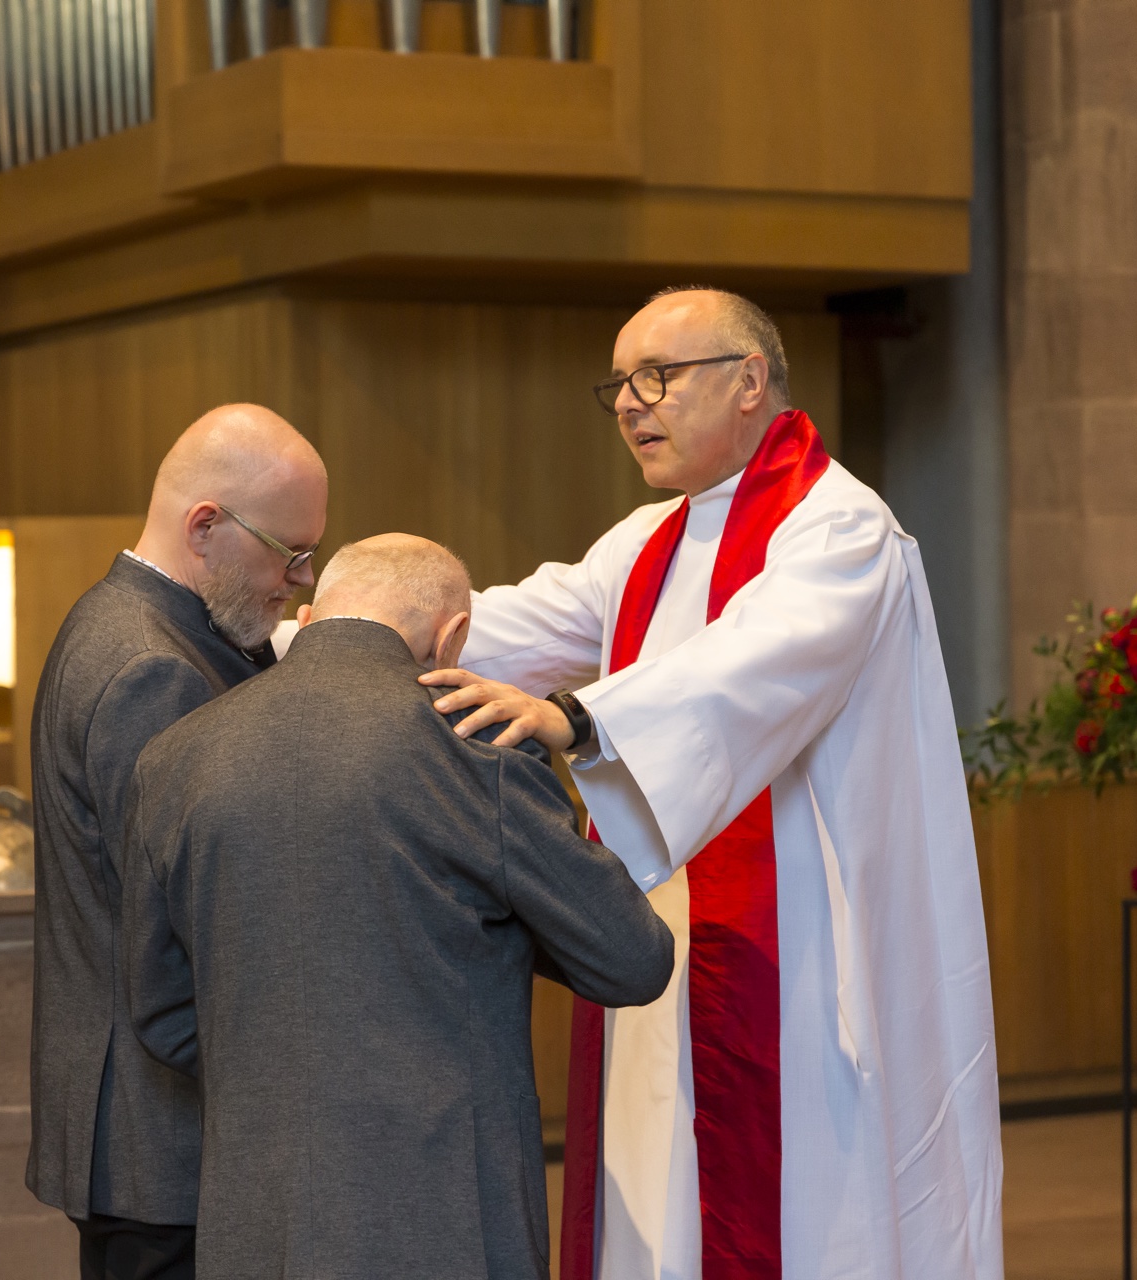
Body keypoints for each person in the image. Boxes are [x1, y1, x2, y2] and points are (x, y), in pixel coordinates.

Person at [425, 287, 1004, 1280]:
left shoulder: (839, 528)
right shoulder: (646, 540)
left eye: (657, 376)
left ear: (749, 380)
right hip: (665, 942)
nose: (629, 403)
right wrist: (322, 639)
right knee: (661, 1185)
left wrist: (583, 717)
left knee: (806, 1207)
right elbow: (506, 624)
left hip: (806, 955)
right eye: (619, 383)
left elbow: (759, 662)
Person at [122, 534, 673, 1280]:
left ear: (310, 617)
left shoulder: (175, 756)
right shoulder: (478, 749)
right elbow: (631, 960)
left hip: (256, 1211)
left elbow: (161, 1011)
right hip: (447, 1211)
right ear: (453, 638)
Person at [26, 404, 329, 1280]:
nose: (302, 579)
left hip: (150, 1130)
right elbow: (176, 936)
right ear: (205, 527)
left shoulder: (136, 621)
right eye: (290, 552)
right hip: (162, 1137)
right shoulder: (155, 670)